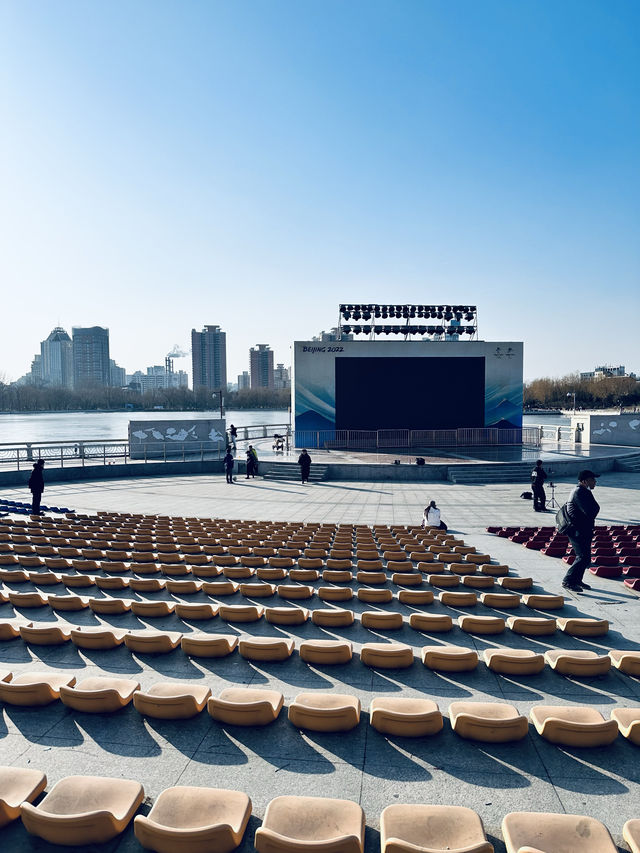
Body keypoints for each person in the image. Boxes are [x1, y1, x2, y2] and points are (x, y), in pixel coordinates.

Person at [562, 469, 600, 592]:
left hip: (583, 529)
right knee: (582, 556)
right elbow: (590, 511)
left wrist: (594, 508)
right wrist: (594, 508)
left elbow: (594, 508)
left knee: (586, 557)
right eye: (592, 479)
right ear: (584, 481)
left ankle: (577, 580)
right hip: (577, 530)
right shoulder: (580, 492)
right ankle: (568, 580)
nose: (595, 481)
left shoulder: (583, 491)